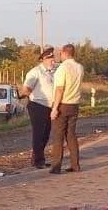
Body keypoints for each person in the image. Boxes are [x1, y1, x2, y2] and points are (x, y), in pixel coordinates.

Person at [48, 43, 83, 174]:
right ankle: (75, 164)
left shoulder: (62, 68)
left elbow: (59, 89)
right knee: (71, 135)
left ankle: (56, 166)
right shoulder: (80, 67)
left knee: (58, 136)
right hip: (74, 104)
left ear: (64, 53)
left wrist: (54, 108)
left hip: (63, 104)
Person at [19, 47, 56, 168]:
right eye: (50, 59)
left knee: (46, 134)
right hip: (37, 106)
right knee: (38, 134)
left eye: (53, 58)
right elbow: (26, 89)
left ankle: (37, 157)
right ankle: (38, 160)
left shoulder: (53, 71)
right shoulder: (35, 72)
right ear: (43, 60)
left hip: (49, 106)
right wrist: (31, 97)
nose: (53, 61)